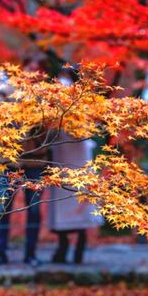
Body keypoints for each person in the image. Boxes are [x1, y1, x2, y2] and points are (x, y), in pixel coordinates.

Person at [0, 56, 49, 268]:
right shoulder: (5, 91)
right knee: (2, 206)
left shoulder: (49, 96)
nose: (34, 73)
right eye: (30, 68)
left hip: (36, 160)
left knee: (33, 209)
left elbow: (50, 127)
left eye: (38, 69)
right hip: (9, 160)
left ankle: (30, 254)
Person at [47, 66, 102, 264]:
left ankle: (78, 245)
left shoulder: (86, 100)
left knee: (79, 198)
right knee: (63, 199)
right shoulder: (54, 97)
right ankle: (64, 246)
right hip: (62, 153)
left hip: (78, 155)